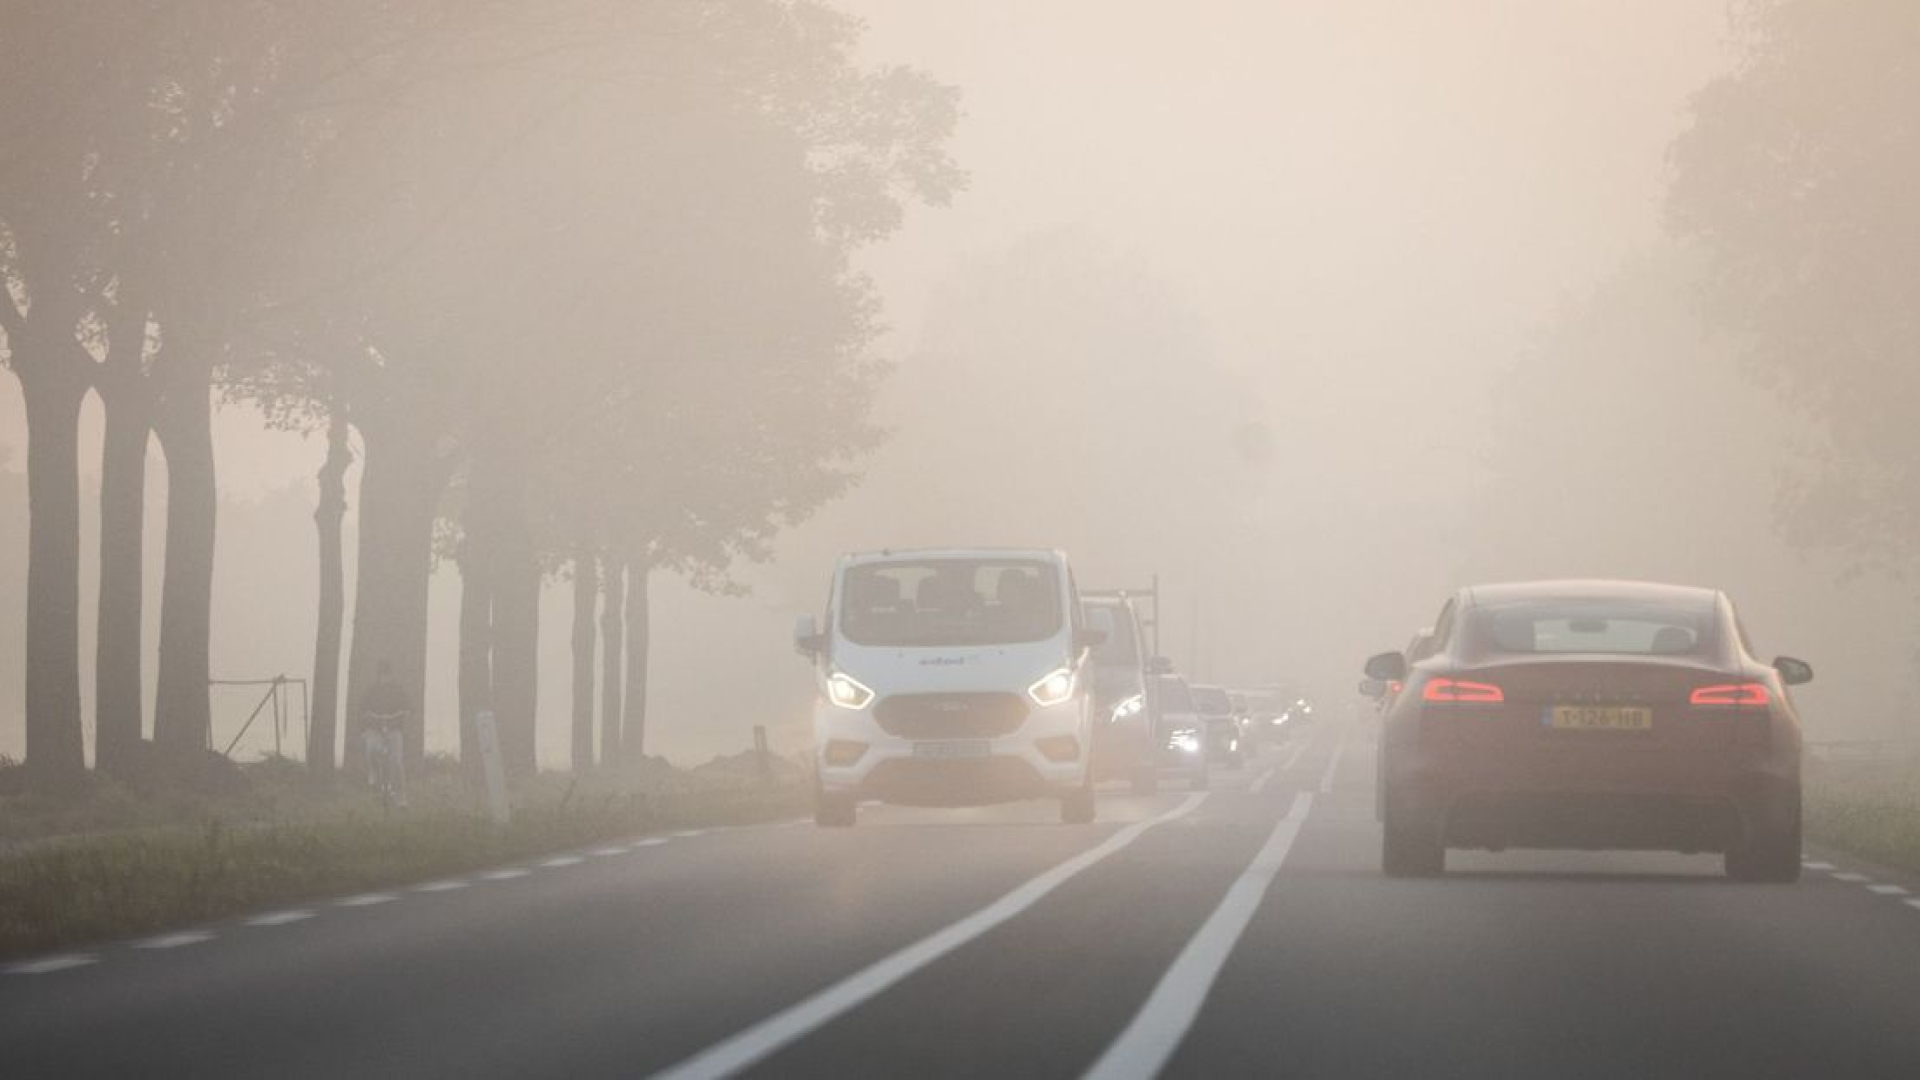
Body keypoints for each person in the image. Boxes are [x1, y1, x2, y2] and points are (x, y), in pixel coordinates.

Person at [362, 660, 411, 808]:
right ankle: (372, 773)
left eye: (387, 675)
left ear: (391, 675)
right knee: (370, 748)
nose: (385, 678)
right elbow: (362, 710)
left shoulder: (398, 691)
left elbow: (408, 707)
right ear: (378, 676)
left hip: (394, 730)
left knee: (396, 761)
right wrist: (366, 720)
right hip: (375, 730)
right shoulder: (371, 691)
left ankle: (401, 799)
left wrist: (405, 713)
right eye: (382, 675)